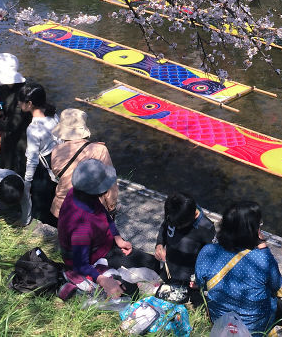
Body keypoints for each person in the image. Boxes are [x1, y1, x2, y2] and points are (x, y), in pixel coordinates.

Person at [57, 159, 155, 300]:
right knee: (130, 292)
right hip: (96, 259)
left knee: (151, 262)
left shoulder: (78, 193)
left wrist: (117, 237)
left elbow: (103, 213)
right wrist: (102, 280)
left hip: (106, 245)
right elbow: (80, 264)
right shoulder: (81, 226)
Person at [195, 201, 282, 334]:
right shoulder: (263, 259)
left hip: (219, 323)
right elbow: (279, 290)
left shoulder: (208, 252)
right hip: (253, 330)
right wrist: (265, 249)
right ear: (253, 231)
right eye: (259, 224)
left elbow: (199, 283)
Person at [49, 108, 118, 219]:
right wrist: (111, 206)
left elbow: (57, 173)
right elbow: (109, 183)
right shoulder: (99, 150)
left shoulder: (56, 150)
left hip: (63, 206)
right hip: (91, 208)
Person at [154, 191, 215, 302]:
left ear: (191, 218)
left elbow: (212, 257)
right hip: (169, 268)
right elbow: (164, 228)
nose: (173, 226)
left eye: (177, 225)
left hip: (189, 278)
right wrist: (159, 244)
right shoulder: (175, 213)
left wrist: (201, 279)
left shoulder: (206, 228)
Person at [17, 81, 59, 226]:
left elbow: (32, 159)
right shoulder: (53, 114)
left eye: (20, 101)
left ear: (29, 104)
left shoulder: (33, 128)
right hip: (56, 159)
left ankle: (46, 225)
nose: (18, 104)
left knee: (42, 199)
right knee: (55, 195)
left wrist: (27, 181)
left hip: (43, 168)